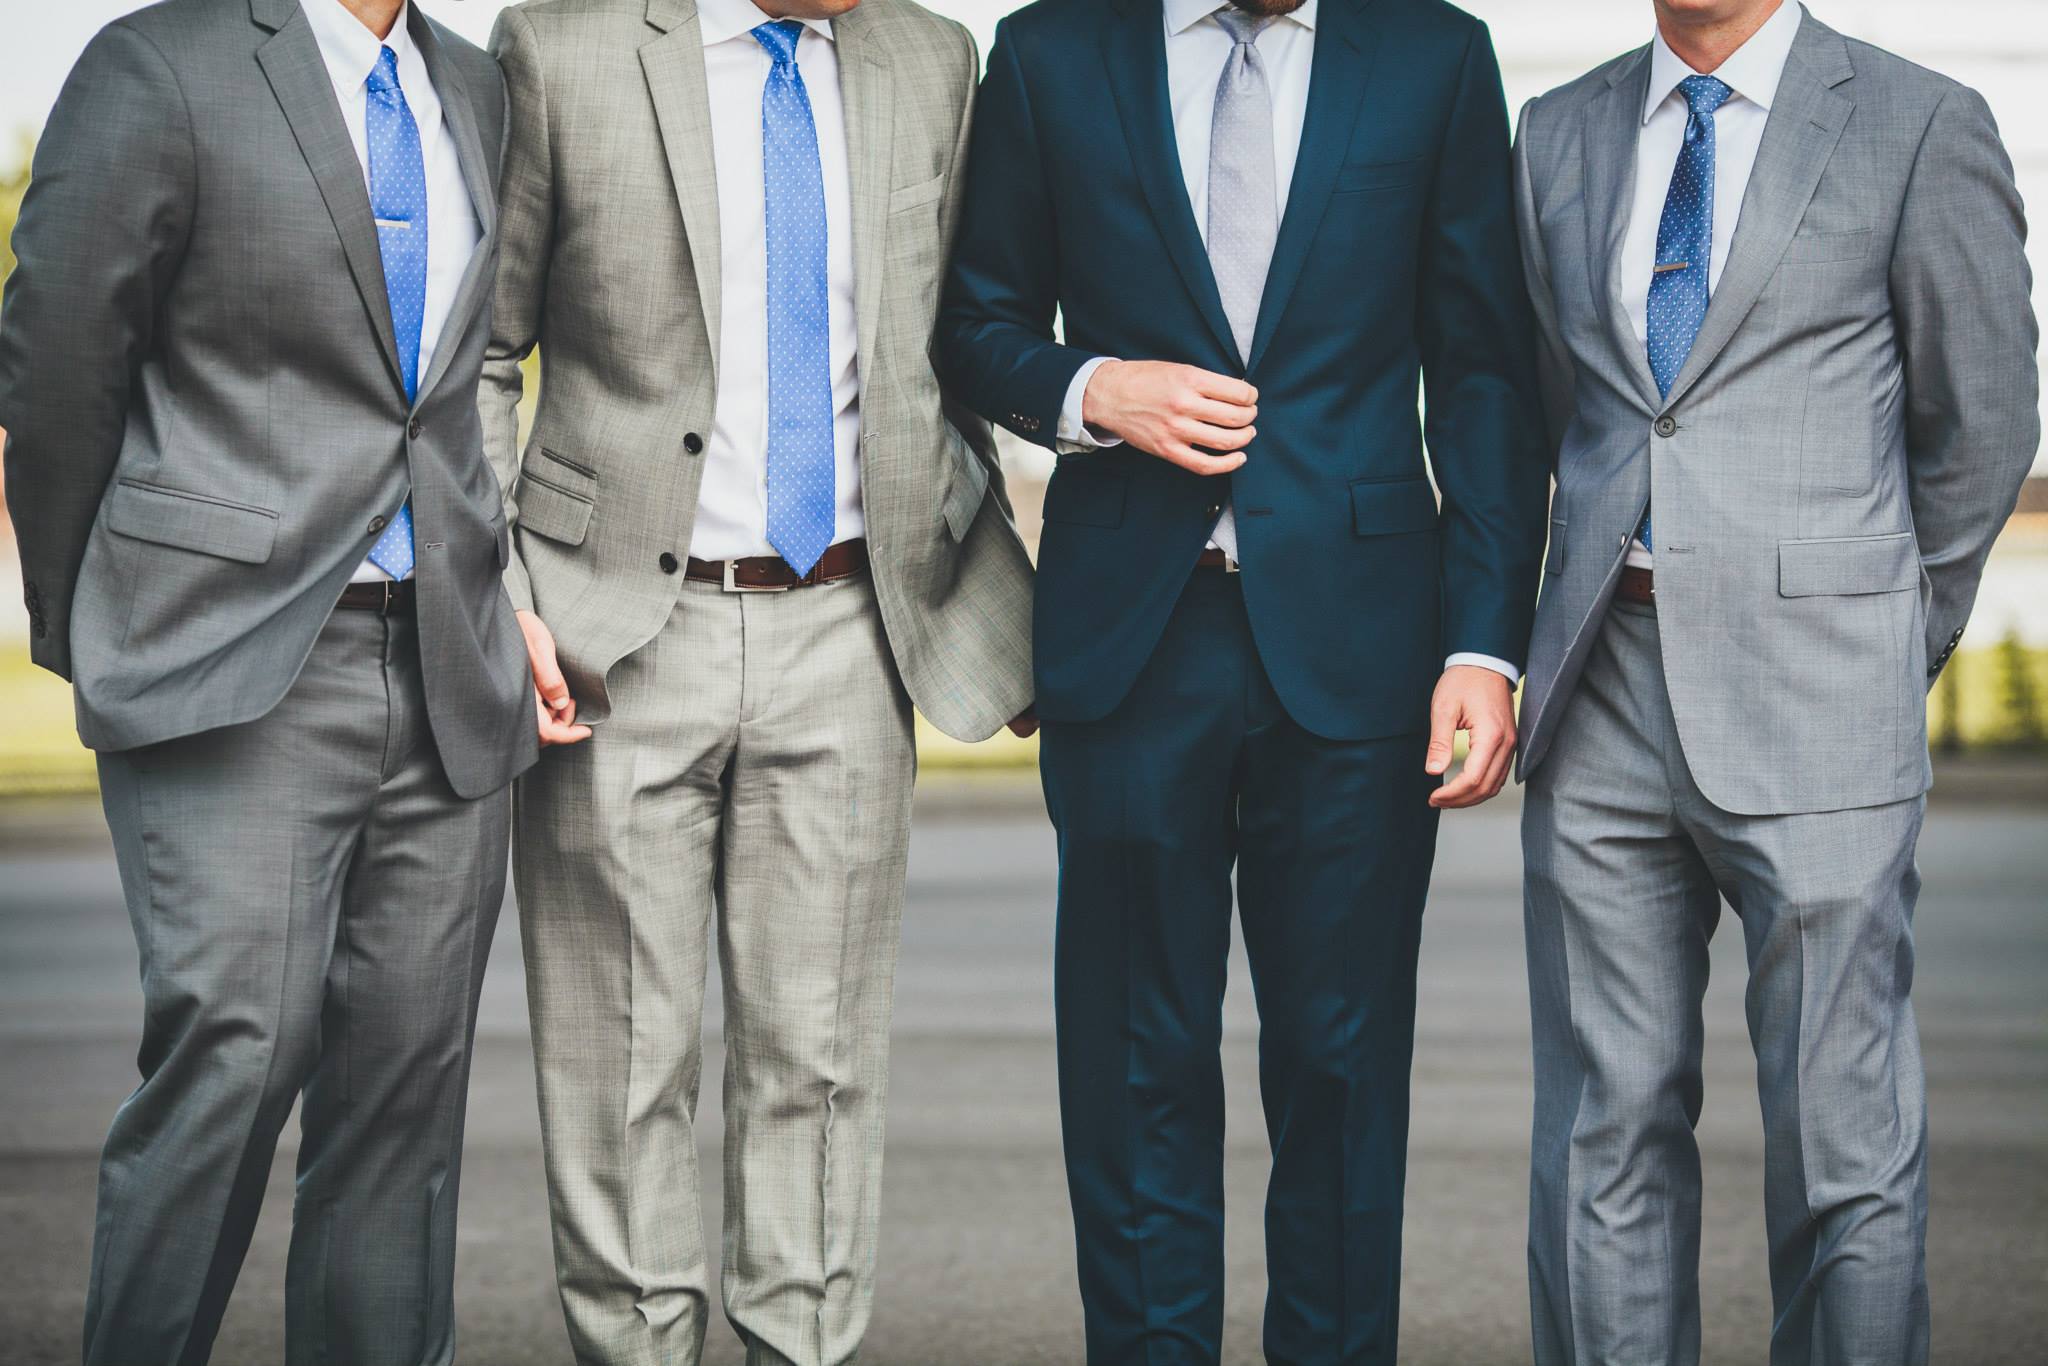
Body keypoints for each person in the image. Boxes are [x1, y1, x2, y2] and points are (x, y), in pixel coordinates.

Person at [936, 1, 1551, 1360]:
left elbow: (1488, 376)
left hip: (1363, 649)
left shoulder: (1433, 56)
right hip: (1131, 641)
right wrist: (1098, 389)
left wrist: (1481, 642)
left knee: (1340, 1067)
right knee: (1132, 1065)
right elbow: (974, 323)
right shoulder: (1050, 52)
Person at [479, 0, 1036, 1361]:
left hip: (852, 626)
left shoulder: (931, 59)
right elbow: (484, 354)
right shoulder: (558, 49)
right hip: (616, 633)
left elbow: (956, 356)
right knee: (622, 1071)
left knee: (822, 1066)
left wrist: (1000, 600)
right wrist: (503, 594)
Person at [0, 1, 532, 1362]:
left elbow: (458, 388)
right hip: (230, 659)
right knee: (232, 1058)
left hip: (448, 664)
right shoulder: (156, 65)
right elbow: (58, 360)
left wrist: (498, 595)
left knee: (403, 1104)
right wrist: (92, 619)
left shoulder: (472, 85)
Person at [1510, 1, 2039, 1361]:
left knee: (1840, 1141)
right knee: (1600, 1131)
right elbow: (1540, 403)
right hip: (1599, 686)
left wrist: (1884, 635)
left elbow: (1980, 422)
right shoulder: (1555, 132)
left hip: (1823, 698)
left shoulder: (1920, 123)